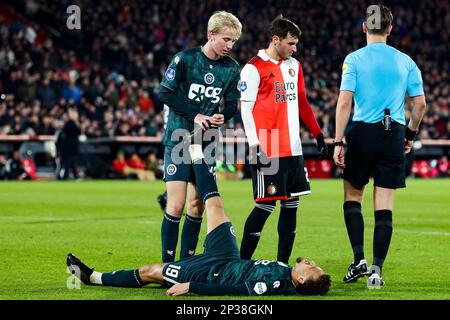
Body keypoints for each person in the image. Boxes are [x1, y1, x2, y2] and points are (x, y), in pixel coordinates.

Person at [67, 142, 331, 296]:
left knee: (150, 271)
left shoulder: (272, 284)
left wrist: (190, 286)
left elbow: (234, 292)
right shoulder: (288, 273)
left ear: (303, 280)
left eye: (312, 268)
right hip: (228, 256)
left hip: (211, 272)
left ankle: (93, 277)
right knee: (215, 206)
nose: (311, 262)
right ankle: (197, 156)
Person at [333, 5, 427, 288]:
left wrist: (338, 140)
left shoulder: (354, 59)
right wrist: (409, 135)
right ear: (389, 28)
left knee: (353, 198)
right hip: (393, 133)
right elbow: (420, 104)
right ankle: (376, 271)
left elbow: (344, 102)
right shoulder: (406, 61)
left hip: (363, 132)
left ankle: (358, 259)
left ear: (364, 27)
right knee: (383, 206)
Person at [239, 15, 328, 264]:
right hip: (268, 148)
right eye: (291, 43)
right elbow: (245, 109)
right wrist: (254, 145)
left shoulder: (294, 66)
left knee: (291, 205)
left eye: (296, 44)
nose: (294, 48)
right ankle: (240, 263)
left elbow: (302, 101)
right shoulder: (253, 68)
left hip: (293, 149)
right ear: (275, 40)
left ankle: (282, 264)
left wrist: (318, 133)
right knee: (265, 206)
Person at [157, 11, 242, 263]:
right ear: (211, 35)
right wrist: (196, 115)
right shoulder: (185, 59)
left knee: (197, 205)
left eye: (234, 41)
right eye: (226, 39)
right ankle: (168, 265)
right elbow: (165, 93)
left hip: (205, 144)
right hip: (178, 138)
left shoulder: (231, 68)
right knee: (175, 205)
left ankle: (187, 262)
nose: (230, 45)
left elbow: (231, 105)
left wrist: (221, 117)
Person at [55, 108, 81, 180]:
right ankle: (66, 176)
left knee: (71, 163)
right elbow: (77, 132)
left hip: (69, 148)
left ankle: (73, 176)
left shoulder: (70, 123)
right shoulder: (70, 123)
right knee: (69, 163)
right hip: (69, 148)